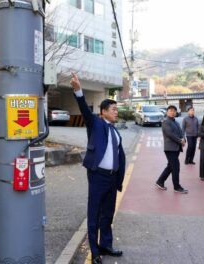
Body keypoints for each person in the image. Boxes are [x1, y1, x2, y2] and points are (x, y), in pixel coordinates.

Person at [70, 73, 124, 264]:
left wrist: (119, 178)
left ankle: (105, 245)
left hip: (111, 177)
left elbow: (119, 155)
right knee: (94, 214)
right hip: (98, 176)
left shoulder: (116, 130)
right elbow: (84, 109)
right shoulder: (96, 124)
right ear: (103, 111)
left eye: (117, 109)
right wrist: (78, 90)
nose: (117, 112)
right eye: (114, 109)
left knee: (108, 214)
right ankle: (94, 251)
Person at [155, 105, 188, 194]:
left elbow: (181, 132)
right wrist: (180, 141)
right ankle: (176, 187)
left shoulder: (176, 122)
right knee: (176, 167)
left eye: (174, 111)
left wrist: (184, 139)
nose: (172, 112)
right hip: (170, 148)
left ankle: (160, 181)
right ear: (167, 112)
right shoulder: (166, 122)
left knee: (170, 166)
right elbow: (170, 134)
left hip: (176, 148)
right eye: (171, 111)